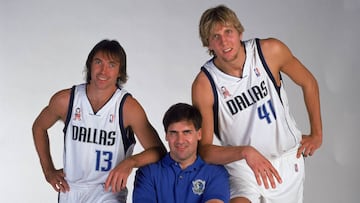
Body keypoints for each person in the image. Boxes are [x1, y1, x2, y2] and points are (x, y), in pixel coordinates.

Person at [191, 5, 323, 203]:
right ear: (208, 44)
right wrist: (245, 151)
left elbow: (308, 82)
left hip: (286, 162)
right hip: (243, 168)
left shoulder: (270, 51)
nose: (224, 41)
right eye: (215, 36)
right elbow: (205, 150)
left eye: (228, 32)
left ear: (239, 31)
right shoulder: (204, 84)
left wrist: (317, 134)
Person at [32, 39, 167, 203]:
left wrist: (130, 162)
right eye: (98, 62)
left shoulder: (127, 107)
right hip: (71, 190)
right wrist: (48, 170)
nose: (103, 71)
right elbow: (39, 127)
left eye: (111, 65)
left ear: (120, 72)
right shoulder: (66, 100)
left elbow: (158, 151)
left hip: (108, 191)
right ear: (90, 65)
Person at [133, 103, 230, 203]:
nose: (180, 140)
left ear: (199, 134)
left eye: (187, 132)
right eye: (173, 133)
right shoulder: (148, 172)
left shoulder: (216, 172)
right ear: (166, 136)